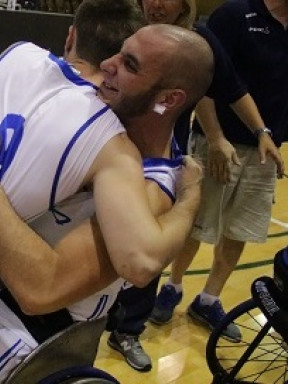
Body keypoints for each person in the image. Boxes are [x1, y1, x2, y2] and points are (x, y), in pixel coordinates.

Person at [0, 2, 214, 382]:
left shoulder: (150, 190)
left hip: (18, 329)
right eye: (119, 52)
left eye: (130, 64)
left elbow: (39, 289)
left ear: (169, 99)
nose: (108, 63)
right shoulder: (96, 128)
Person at [106, 0, 285, 371]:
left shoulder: (197, 41)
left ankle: (129, 327)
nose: (157, 3)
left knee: (153, 242)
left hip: (158, 160)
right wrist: (218, 138)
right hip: (106, 149)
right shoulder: (118, 25)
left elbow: (229, 87)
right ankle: (94, 316)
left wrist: (262, 130)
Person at [152, 0, 287, 344]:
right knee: (196, 227)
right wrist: (214, 138)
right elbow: (205, 80)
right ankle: (173, 286)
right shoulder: (236, 15)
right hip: (219, 145)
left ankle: (209, 300)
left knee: (239, 231)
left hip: (265, 150)